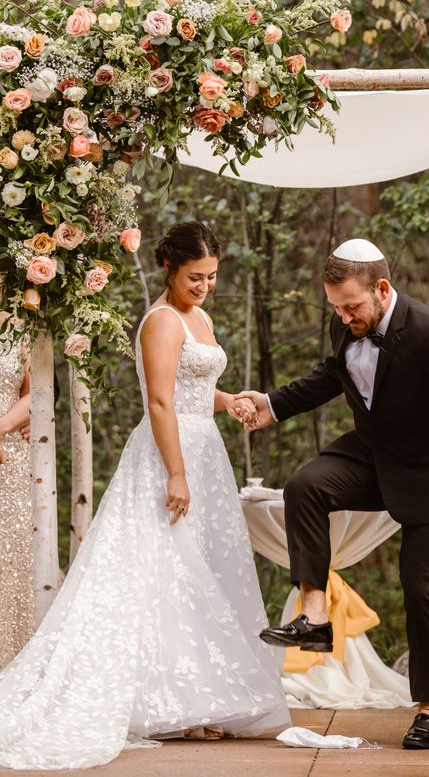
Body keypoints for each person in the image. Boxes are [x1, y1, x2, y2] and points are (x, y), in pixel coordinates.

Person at [0, 221, 290, 770]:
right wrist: (175, 474)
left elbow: (196, 390)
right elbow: (160, 402)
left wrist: (235, 404)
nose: (204, 286)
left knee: (201, 569)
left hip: (205, 451)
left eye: (210, 277)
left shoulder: (198, 316)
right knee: (166, 571)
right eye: (194, 277)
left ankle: (201, 698)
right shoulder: (160, 320)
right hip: (169, 454)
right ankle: (175, 705)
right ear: (168, 268)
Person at [236, 238, 429, 750]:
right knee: (307, 484)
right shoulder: (345, 324)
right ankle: (314, 616)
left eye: (351, 306)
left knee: (421, 592)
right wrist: (273, 405)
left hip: (428, 477)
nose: (343, 315)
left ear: (382, 288)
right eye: (335, 306)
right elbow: (334, 375)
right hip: (371, 456)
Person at [0, 313, 33, 670]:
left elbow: (34, 391)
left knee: (11, 563)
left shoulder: (19, 326)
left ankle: (11, 668)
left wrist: (5, 425)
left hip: (11, 459)